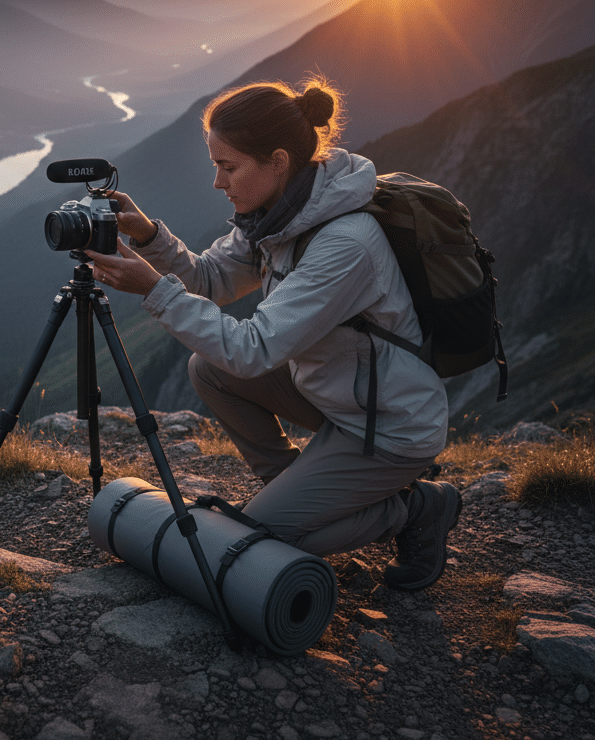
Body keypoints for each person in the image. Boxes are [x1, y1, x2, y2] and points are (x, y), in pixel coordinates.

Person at [86, 79, 462, 591]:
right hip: (338, 397)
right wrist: (150, 238)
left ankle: (415, 508)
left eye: (228, 165)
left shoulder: (344, 243)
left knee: (261, 540)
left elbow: (254, 349)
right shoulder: (277, 214)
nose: (218, 182)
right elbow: (212, 281)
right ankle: (297, 491)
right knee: (208, 369)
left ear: (278, 160)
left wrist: (154, 290)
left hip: (389, 426)